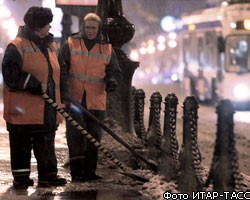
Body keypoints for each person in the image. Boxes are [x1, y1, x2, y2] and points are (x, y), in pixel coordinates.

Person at [2, 6, 67, 188]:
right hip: (23, 111)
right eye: (47, 24)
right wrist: (32, 83)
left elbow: (59, 74)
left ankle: (48, 175)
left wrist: (63, 97)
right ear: (37, 26)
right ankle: (21, 179)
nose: (49, 28)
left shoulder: (52, 46)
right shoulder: (17, 46)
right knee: (21, 146)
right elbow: (10, 74)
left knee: (46, 143)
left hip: (47, 109)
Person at [59, 13, 121, 182]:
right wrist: (64, 93)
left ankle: (90, 171)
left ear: (98, 28)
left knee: (94, 137)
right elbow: (61, 68)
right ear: (83, 27)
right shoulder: (71, 44)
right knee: (75, 136)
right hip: (75, 98)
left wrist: (112, 81)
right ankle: (77, 173)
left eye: (93, 28)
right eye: (87, 27)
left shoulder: (107, 47)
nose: (90, 31)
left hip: (96, 99)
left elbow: (113, 70)